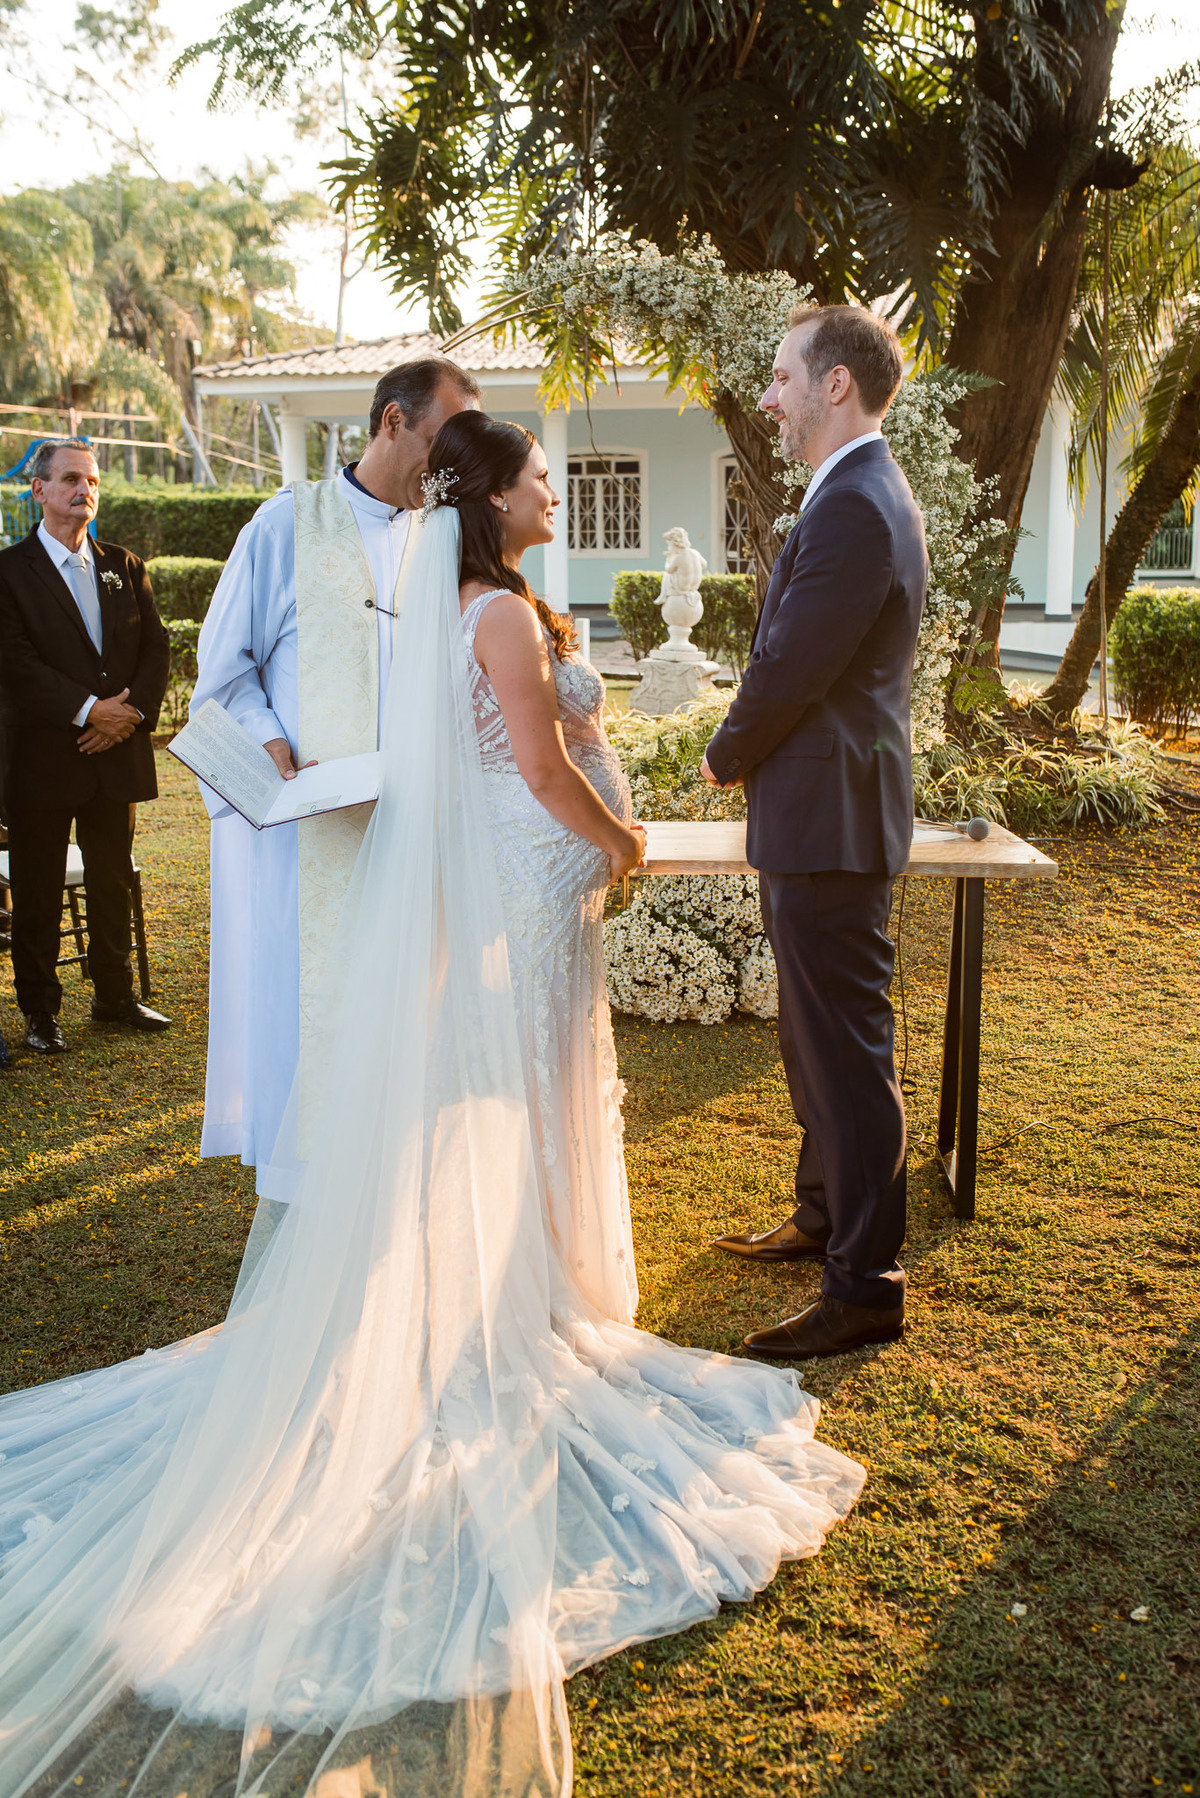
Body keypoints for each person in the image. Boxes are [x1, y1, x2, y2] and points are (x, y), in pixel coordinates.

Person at [0, 412, 863, 1798]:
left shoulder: (451, 602)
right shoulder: (501, 622)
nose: (552, 494)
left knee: (510, 1094)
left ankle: (523, 1285)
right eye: (539, 480)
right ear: (492, 494)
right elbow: (534, 768)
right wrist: (627, 835)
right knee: (522, 1091)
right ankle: (522, 1304)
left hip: (517, 884)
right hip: (537, 870)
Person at [191, 355, 481, 1195]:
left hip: (415, 820)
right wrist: (267, 738)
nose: (450, 463)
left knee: (410, 1000)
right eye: (440, 437)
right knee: (307, 998)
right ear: (392, 420)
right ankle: (307, 1185)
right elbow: (224, 670)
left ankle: (394, 1179)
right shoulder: (286, 523)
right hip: (312, 824)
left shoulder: (446, 533)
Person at [703, 305, 928, 1361]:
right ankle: (822, 1215)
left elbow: (790, 664)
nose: (771, 395)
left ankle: (866, 1282)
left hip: (833, 822)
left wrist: (722, 752)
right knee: (814, 1039)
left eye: (784, 376)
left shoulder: (855, 508)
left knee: (844, 1052)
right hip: (820, 819)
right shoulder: (851, 496)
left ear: (837, 383)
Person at [0, 438, 171, 1053]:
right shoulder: (8, 572)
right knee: (39, 891)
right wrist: (87, 711)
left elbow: (156, 651)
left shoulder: (122, 565)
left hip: (115, 755)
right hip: (44, 759)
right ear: (39, 490)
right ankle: (40, 1014)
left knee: (110, 880)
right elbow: (14, 662)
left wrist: (125, 718)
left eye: (93, 481)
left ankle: (115, 997)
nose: (85, 490)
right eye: (71, 479)